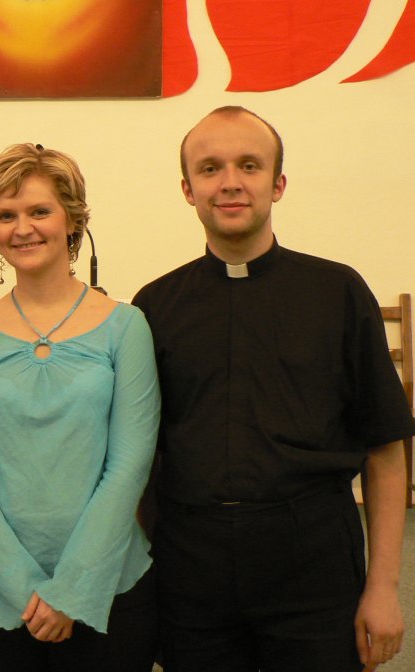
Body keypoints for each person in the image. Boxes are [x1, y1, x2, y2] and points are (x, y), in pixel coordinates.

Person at [132, 106, 413, 672]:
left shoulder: (337, 292)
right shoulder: (154, 306)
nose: (230, 182)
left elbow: (385, 450)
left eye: (249, 165)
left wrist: (384, 587)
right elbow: (139, 459)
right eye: (210, 168)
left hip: (313, 560)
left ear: (278, 184)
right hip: (192, 565)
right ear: (187, 190)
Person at [0, 143, 161, 672]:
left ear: (73, 219)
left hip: (110, 587)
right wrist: (25, 589)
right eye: (6, 215)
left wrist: (71, 591)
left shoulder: (127, 326)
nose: (23, 229)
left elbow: (129, 466)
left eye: (39, 211)